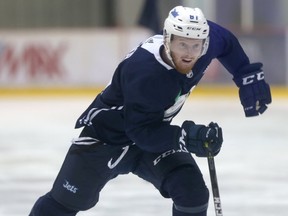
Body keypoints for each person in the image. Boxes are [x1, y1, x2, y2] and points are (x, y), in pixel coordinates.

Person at [29, 5, 271, 216]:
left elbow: (225, 41)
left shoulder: (205, 42)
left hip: (150, 136)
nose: (189, 53)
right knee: (63, 203)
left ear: (205, 43)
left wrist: (245, 73)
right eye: (182, 44)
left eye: (196, 46)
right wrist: (186, 137)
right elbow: (139, 131)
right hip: (105, 139)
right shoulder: (145, 71)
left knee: (191, 190)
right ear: (167, 39)